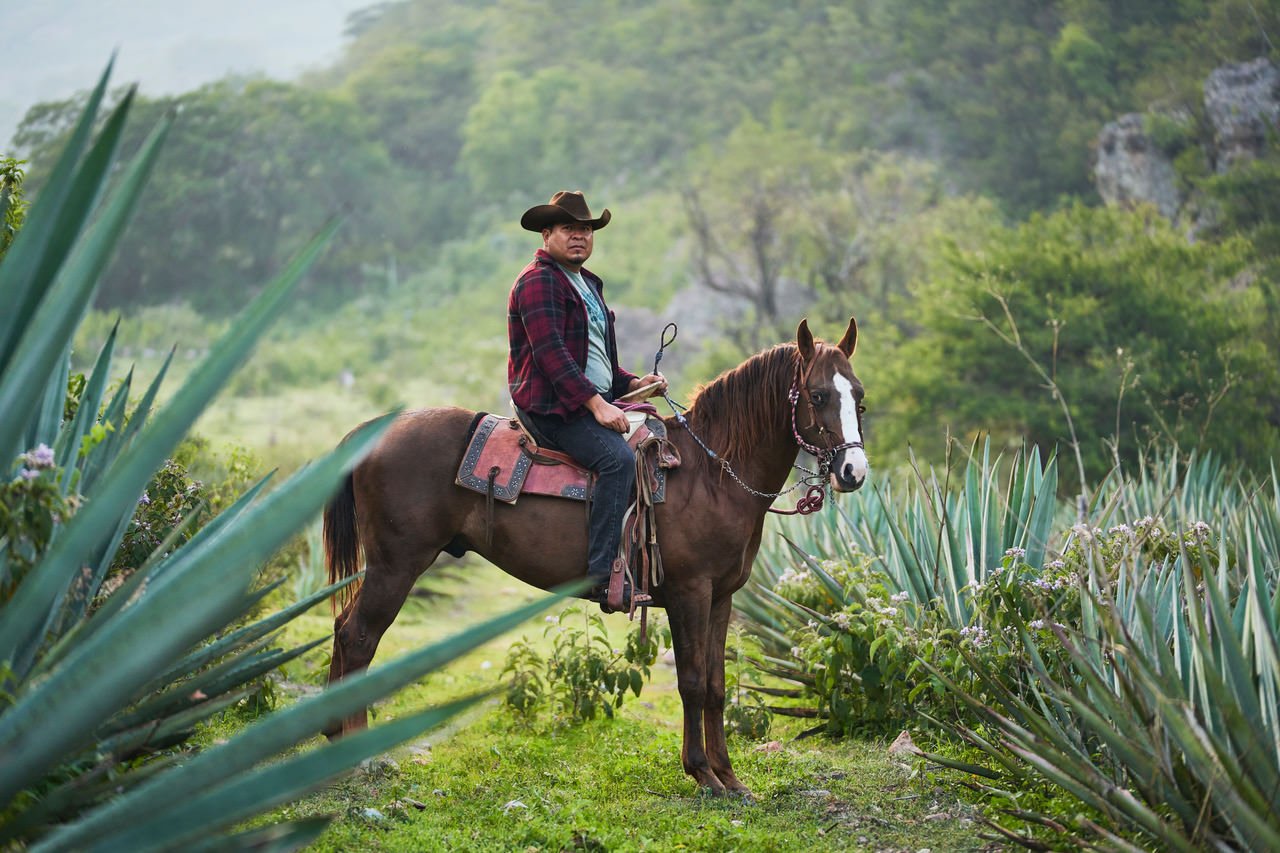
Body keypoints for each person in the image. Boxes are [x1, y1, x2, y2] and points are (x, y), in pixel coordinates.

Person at [508, 190, 667, 610]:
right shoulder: (538, 280)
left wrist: (634, 384)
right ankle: (602, 577)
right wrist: (597, 405)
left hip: (581, 399)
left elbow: (599, 363)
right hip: (552, 407)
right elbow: (552, 354)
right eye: (568, 229)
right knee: (616, 459)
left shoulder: (587, 284)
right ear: (547, 234)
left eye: (585, 230)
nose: (579, 237)